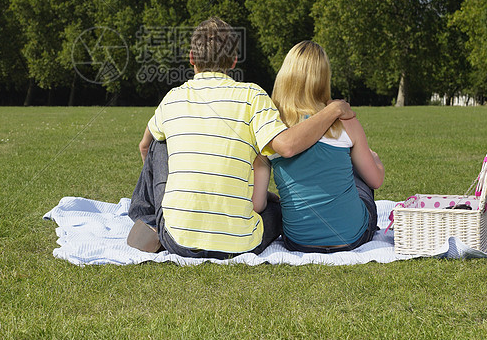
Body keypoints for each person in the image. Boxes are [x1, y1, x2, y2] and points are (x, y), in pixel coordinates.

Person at [127, 18, 355, 258]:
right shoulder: (253, 96)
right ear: (233, 59)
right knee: (276, 207)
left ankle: (149, 219)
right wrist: (333, 109)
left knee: (157, 141)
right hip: (241, 243)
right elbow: (285, 146)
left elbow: (144, 147)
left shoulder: (172, 98)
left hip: (178, 239)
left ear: (192, 58)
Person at [256, 40, 384, 253]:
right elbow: (376, 181)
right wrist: (376, 160)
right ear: (324, 79)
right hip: (351, 237)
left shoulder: (270, 127)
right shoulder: (345, 122)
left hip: (298, 240)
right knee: (359, 172)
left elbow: (258, 202)